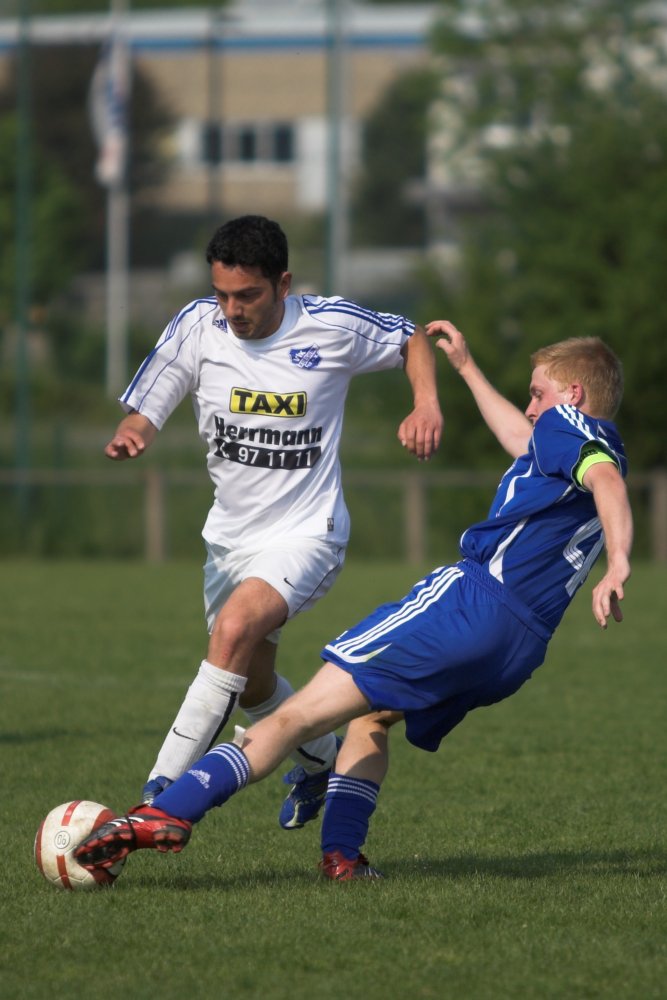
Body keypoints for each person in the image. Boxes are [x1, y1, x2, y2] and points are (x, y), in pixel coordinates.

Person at [77, 320, 632, 881]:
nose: (532, 407)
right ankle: (342, 858)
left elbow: (603, 480)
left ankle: (164, 815)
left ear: (573, 395)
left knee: (299, 715)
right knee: (373, 716)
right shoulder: (591, 443)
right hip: (520, 648)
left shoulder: (567, 424)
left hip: (471, 605)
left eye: (537, 393)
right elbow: (540, 448)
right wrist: (465, 367)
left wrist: (620, 564)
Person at [102, 214, 443, 830]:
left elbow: (412, 337)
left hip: (307, 534)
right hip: (229, 540)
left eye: (248, 295)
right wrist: (135, 429)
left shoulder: (330, 327)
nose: (232, 309)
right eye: (222, 294)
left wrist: (425, 403)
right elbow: (153, 397)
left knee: (232, 631)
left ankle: (157, 800)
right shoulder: (197, 326)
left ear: (283, 283)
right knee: (254, 685)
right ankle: (322, 765)